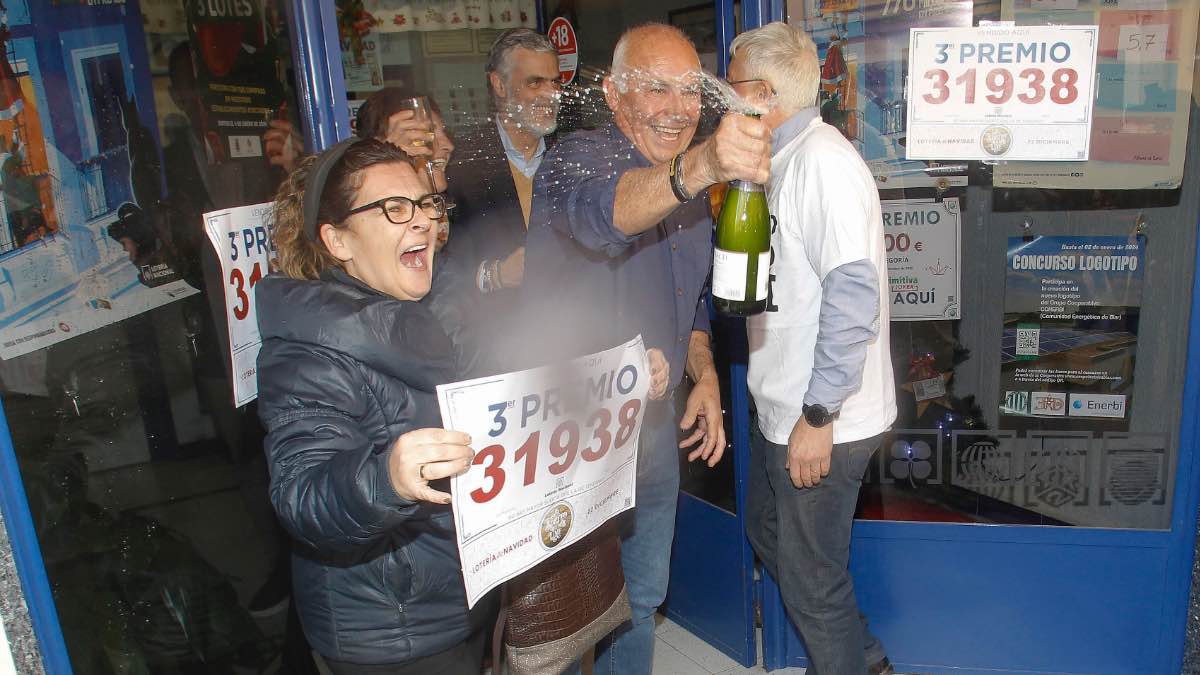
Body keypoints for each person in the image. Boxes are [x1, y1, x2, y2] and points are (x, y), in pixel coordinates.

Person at [521, 23, 770, 674]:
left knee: (640, 599)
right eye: (656, 88)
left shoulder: (686, 193)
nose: (678, 107)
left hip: (652, 436)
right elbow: (608, 216)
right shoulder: (576, 159)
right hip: (571, 439)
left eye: (689, 91)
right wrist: (708, 163)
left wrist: (706, 372)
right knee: (563, 618)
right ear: (611, 93)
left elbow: (687, 294)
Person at [255, 138, 492, 674]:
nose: (423, 223)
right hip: (392, 630)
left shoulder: (435, 307)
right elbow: (299, 494)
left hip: (463, 590)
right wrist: (386, 479)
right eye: (393, 209)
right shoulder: (307, 352)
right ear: (337, 239)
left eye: (426, 204)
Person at [727, 22, 897, 675]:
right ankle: (866, 661)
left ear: (766, 93)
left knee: (813, 583)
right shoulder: (782, 160)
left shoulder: (823, 163)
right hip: (787, 409)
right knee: (772, 537)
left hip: (822, 417)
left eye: (732, 88)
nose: (723, 103)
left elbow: (854, 297)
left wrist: (819, 416)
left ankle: (852, 662)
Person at [446, 27, 560, 306]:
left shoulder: (574, 152)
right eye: (535, 83)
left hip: (579, 328)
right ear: (499, 84)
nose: (551, 94)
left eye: (556, 83)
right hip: (499, 338)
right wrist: (495, 275)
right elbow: (442, 272)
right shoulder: (463, 166)